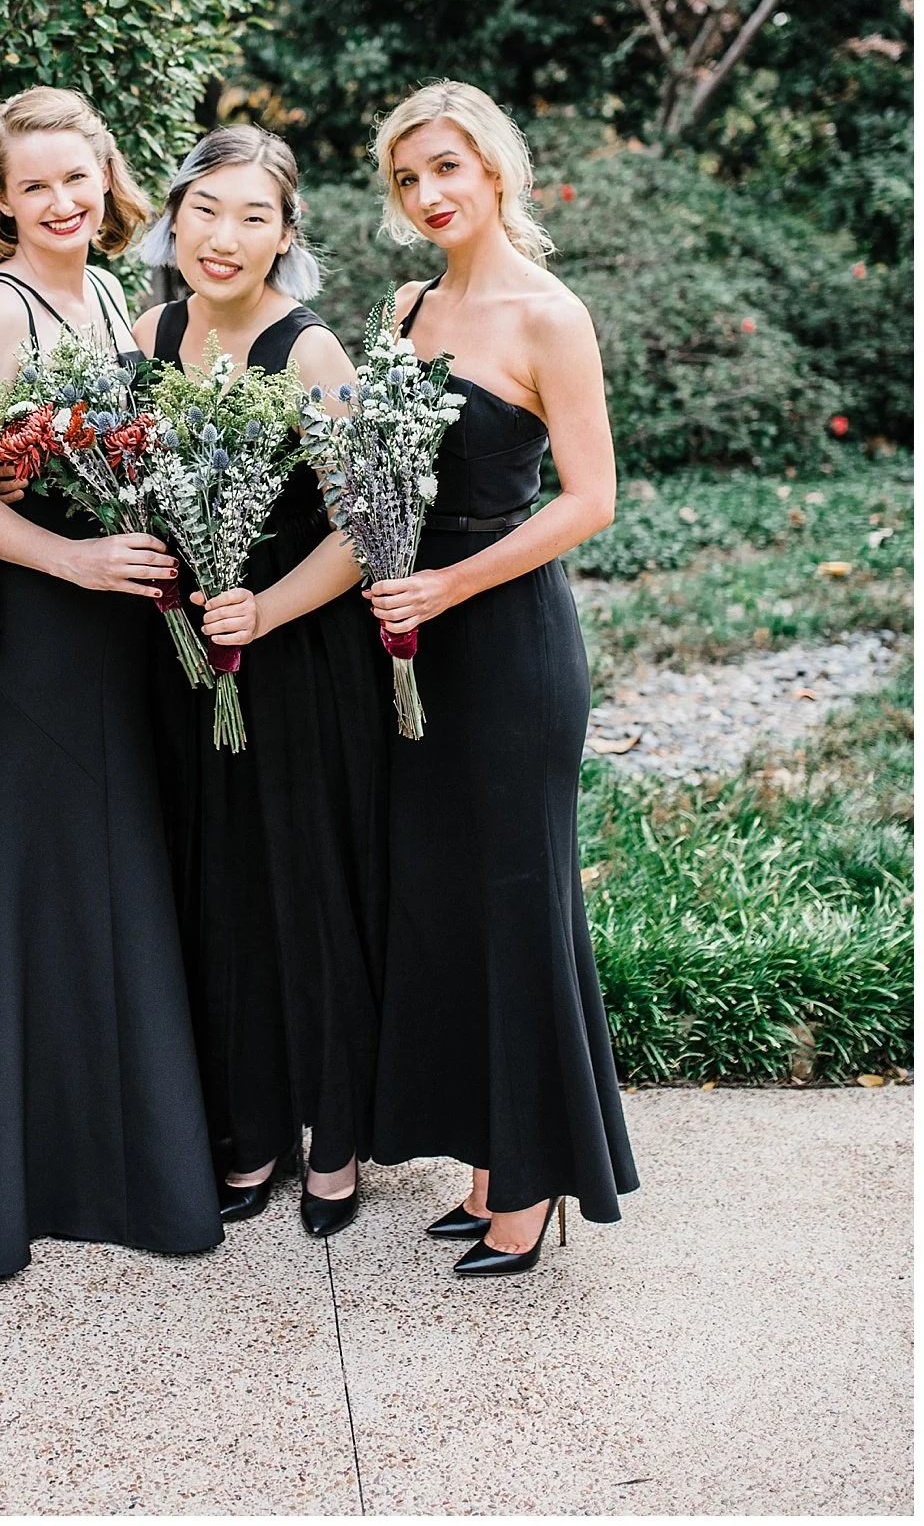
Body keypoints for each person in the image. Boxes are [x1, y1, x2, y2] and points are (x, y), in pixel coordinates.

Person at [0, 87, 224, 1279]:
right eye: (33, 184)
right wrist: (78, 560)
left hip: (123, 627)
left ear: (106, 177)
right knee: (42, 877)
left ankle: (118, 1144)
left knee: (114, 874)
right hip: (41, 629)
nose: (61, 200)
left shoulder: (114, 298)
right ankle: (21, 1162)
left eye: (76, 177)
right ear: (0, 198)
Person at [365, 80, 638, 1276]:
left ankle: (531, 1187)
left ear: (494, 169)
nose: (429, 193)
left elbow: (591, 499)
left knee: (520, 902)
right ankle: (487, 1160)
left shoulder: (549, 315)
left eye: (447, 167)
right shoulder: (408, 306)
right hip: (412, 640)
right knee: (448, 902)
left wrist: (448, 585)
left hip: (508, 636)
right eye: (408, 177)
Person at [134, 127, 391, 1240]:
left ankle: (335, 1136)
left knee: (304, 891)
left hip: (296, 658)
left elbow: (366, 524)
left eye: (253, 216)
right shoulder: (151, 335)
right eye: (206, 210)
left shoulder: (310, 350)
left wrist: (266, 609)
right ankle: (250, 1126)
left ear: (286, 235)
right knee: (219, 893)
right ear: (174, 219)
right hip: (187, 661)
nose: (224, 236)